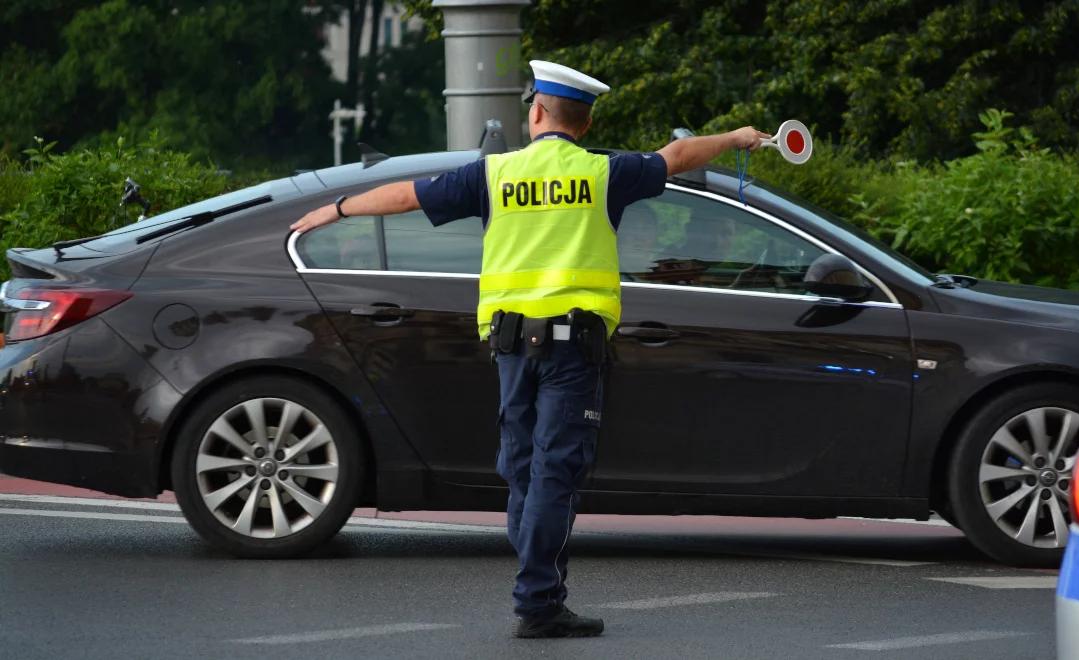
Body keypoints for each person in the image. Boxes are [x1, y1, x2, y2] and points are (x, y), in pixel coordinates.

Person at [292, 59, 768, 638]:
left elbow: (405, 196)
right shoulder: (604, 174)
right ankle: (539, 602)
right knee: (552, 473)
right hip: (574, 351)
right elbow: (678, 158)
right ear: (585, 126)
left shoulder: (493, 175)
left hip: (511, 349)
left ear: (537, 112)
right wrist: (737, 138)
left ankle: (539, 584)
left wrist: (335, 210)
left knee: (522, 469)